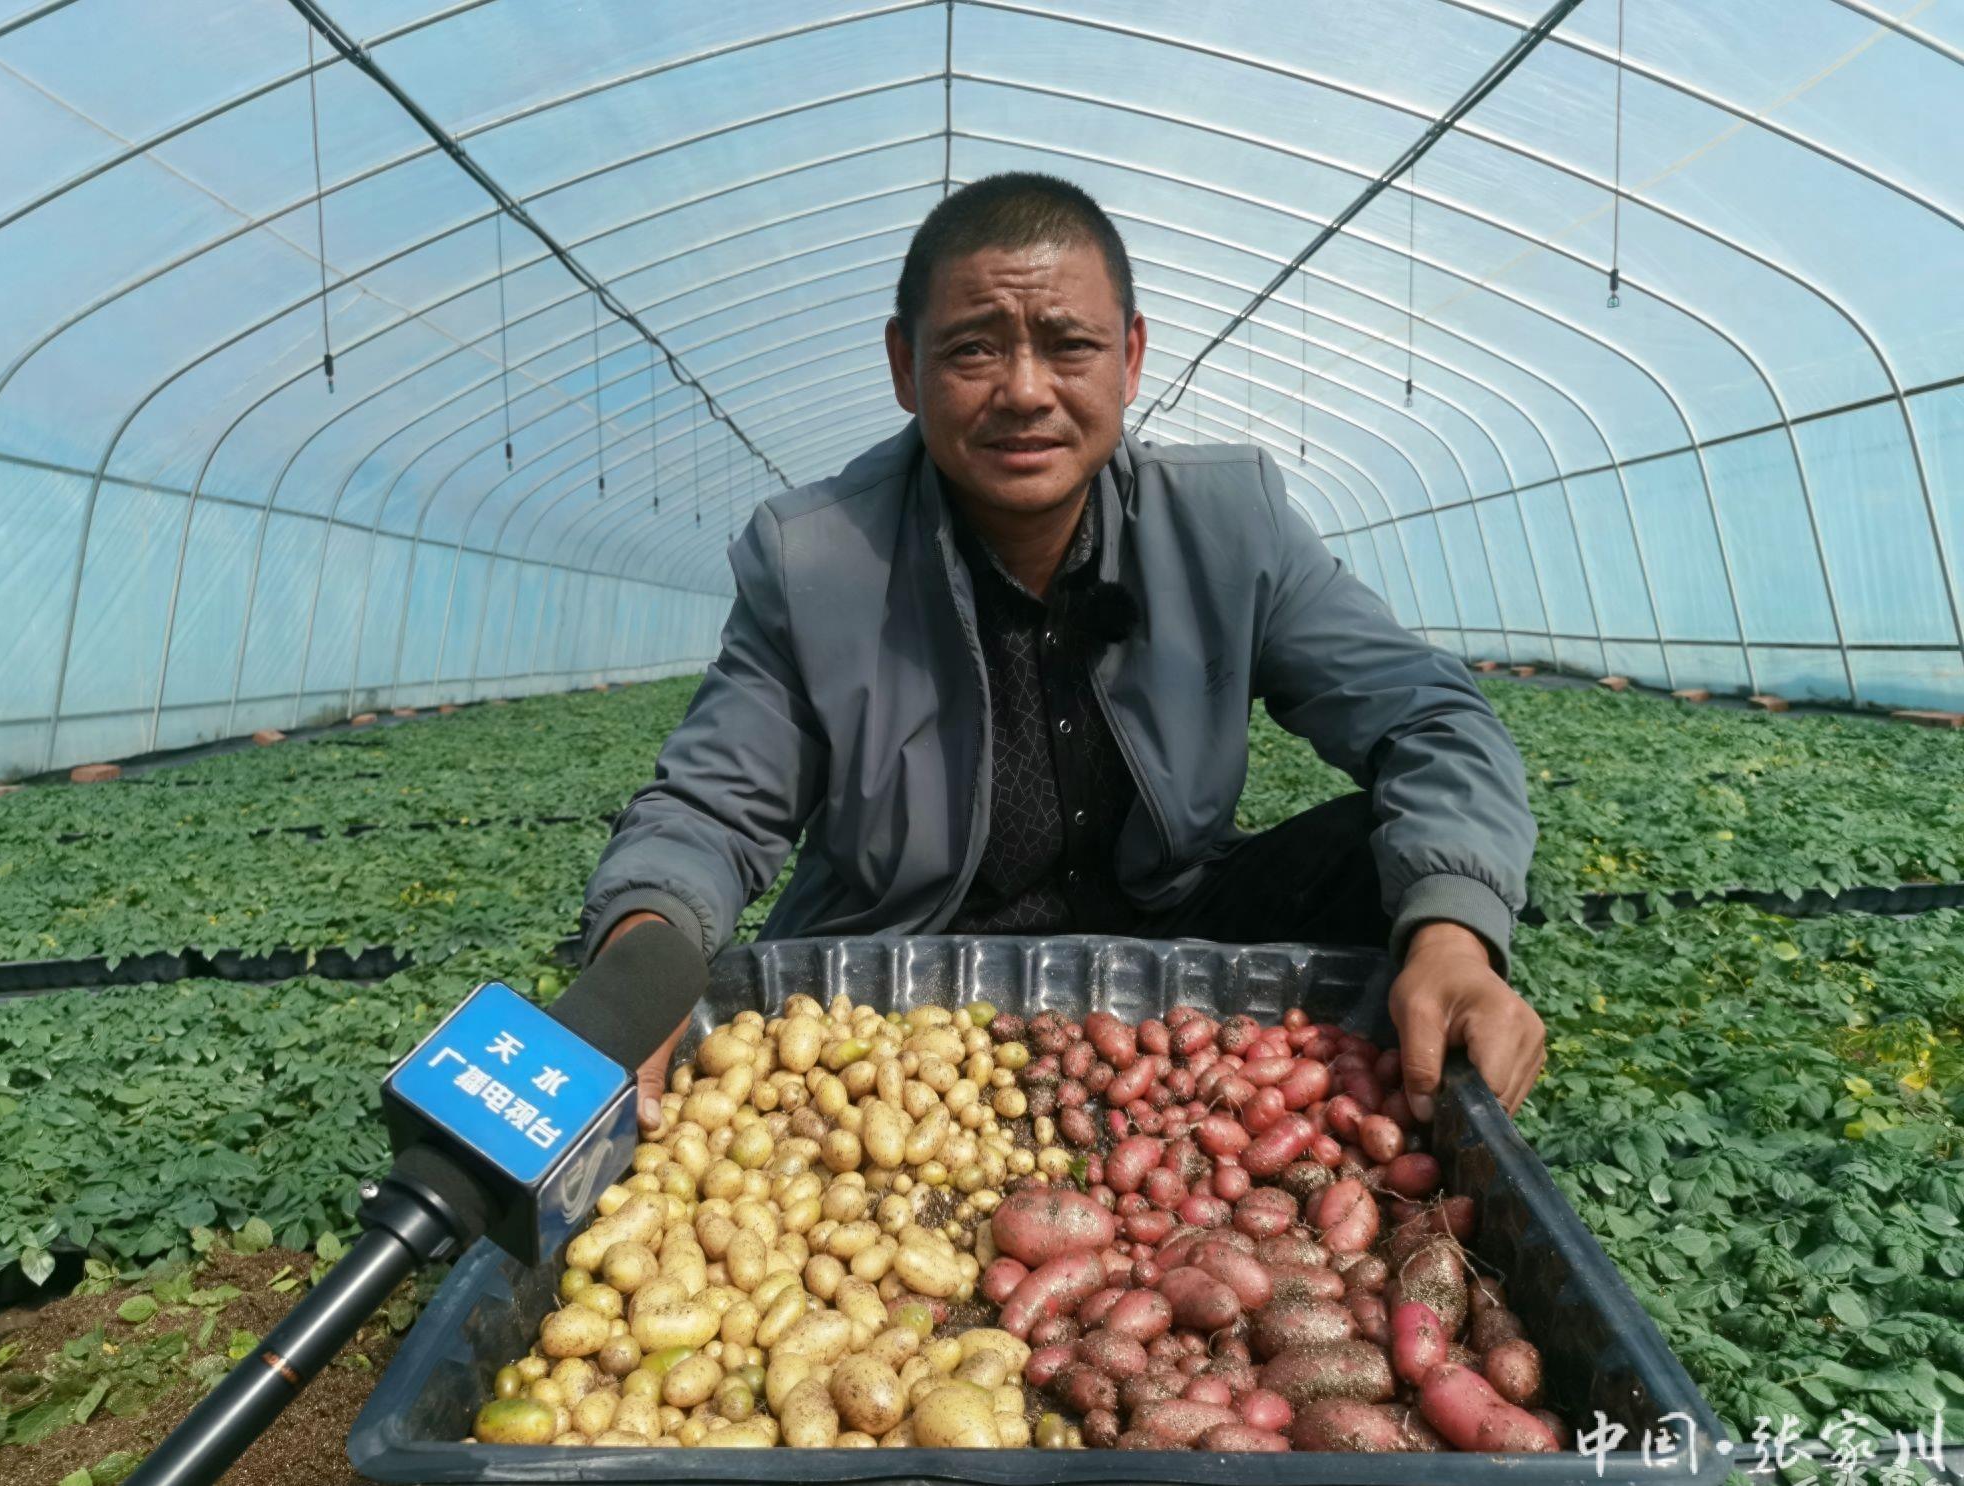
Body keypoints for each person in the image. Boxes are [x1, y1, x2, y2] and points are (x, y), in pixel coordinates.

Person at [580, 172, 1544, 1134]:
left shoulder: (1226, 526)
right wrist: (639, 962)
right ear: (903, 366)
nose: (1026, 392)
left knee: (1385, 858)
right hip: (903, 986)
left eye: (1069, 345)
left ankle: (1374, 1109)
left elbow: (1430, 718)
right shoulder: (819, 562)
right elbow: (711, 807)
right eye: (973, 350)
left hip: (1164, 947)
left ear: (1128, 358)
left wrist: (1454, 937)